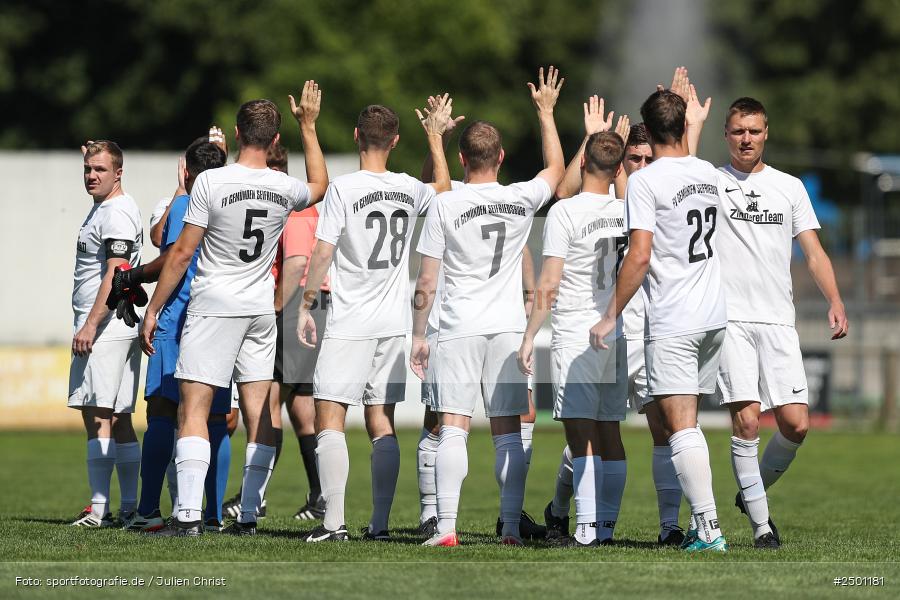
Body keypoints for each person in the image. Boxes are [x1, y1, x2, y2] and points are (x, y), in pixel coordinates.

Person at [140, 81, 329, 537]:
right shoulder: (283, 186)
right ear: (275, 140)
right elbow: (320, 184)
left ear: (238, 132)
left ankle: (187, 516)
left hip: (215, 306)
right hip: (260, 309)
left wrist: (153, 309)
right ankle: (247, 514)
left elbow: (182, 253)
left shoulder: (211, 180)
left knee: (193, 409)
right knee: (258, 412)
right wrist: (309, 125)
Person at [410, 66, 566, 547]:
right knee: (507, 434)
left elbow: (428, 278)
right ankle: (512, 529)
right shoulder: (520, 198)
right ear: (500, 156)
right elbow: (557, 171)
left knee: (452, 429)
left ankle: (448, 529)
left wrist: (418, 333)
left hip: (457, 327)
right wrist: (545, 112)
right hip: (506, 329)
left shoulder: (446, 203)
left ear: (462, 159)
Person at [296, 96, 454, 543]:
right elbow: (441, 187)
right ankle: (379, 525)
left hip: (349, 321)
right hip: (393, 323)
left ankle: (333, 525)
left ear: (355, 137)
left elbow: (323, 250)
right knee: (380, 421)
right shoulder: (408, 186)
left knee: (329, 416)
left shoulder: (344, 188)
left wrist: (307, 303)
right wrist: (436, 138)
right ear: (396, 140)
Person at [590, 88, 729, 552]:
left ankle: (708, 530)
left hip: (674, 317)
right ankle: (693, 526)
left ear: (649, 130)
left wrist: (610, 314)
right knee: (681, 425)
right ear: (686, 121)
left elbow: (640, 255)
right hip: (713, 316)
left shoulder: (647, 181)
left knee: (680, 427)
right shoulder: (709, 173)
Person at [716, 97, 848, 549]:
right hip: (730, 320)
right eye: (738, 131)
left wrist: (835, 299)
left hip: (777, 321)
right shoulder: (710, 182)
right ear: (726, 135)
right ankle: (761, 527)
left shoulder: (789, 187)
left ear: (766, 132)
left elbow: (812, 251)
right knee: (748, 423)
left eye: (753, 130)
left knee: (796, 425)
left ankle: (750, 494)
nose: (746, 138)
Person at [111, 139, 232, 533]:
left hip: (178, 314)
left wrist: (141, 286)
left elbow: (170, 252)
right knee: (214, 415)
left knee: (163, 409)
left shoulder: (187, 204)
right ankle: (211, 514)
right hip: (221, 318)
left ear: (186, 171)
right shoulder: (230, 205)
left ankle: (148, 510)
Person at [519, 124, 629, 547]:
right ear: (619, 167)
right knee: (609, 431)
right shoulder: (629, 210)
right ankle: (604, 528)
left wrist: (530, 336)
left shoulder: (565, 212)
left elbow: (548, 281)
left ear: (582, 161)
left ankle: (584, 530)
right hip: (614, 330)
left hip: (576, 332)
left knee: (581, 434)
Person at [223, 142, 328, 521]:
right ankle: (320, 496)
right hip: (310, 305)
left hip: (296, 304)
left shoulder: (293, 207)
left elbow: (298, 263)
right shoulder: (293, 200)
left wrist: (273, 311)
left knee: (267, 402)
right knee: (302, 409)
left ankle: (257, 496)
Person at [68, 141, 143, 527]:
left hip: (107, 327)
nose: (92, 175)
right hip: (116, 326)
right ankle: (128, 508)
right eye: (87, 169)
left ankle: (98, 509)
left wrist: (90, 324)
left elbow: (117, 271)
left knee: (98, 413)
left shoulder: (116, 213)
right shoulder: (106, 208)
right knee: (119, 414)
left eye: (99, 169)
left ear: (119, 173)